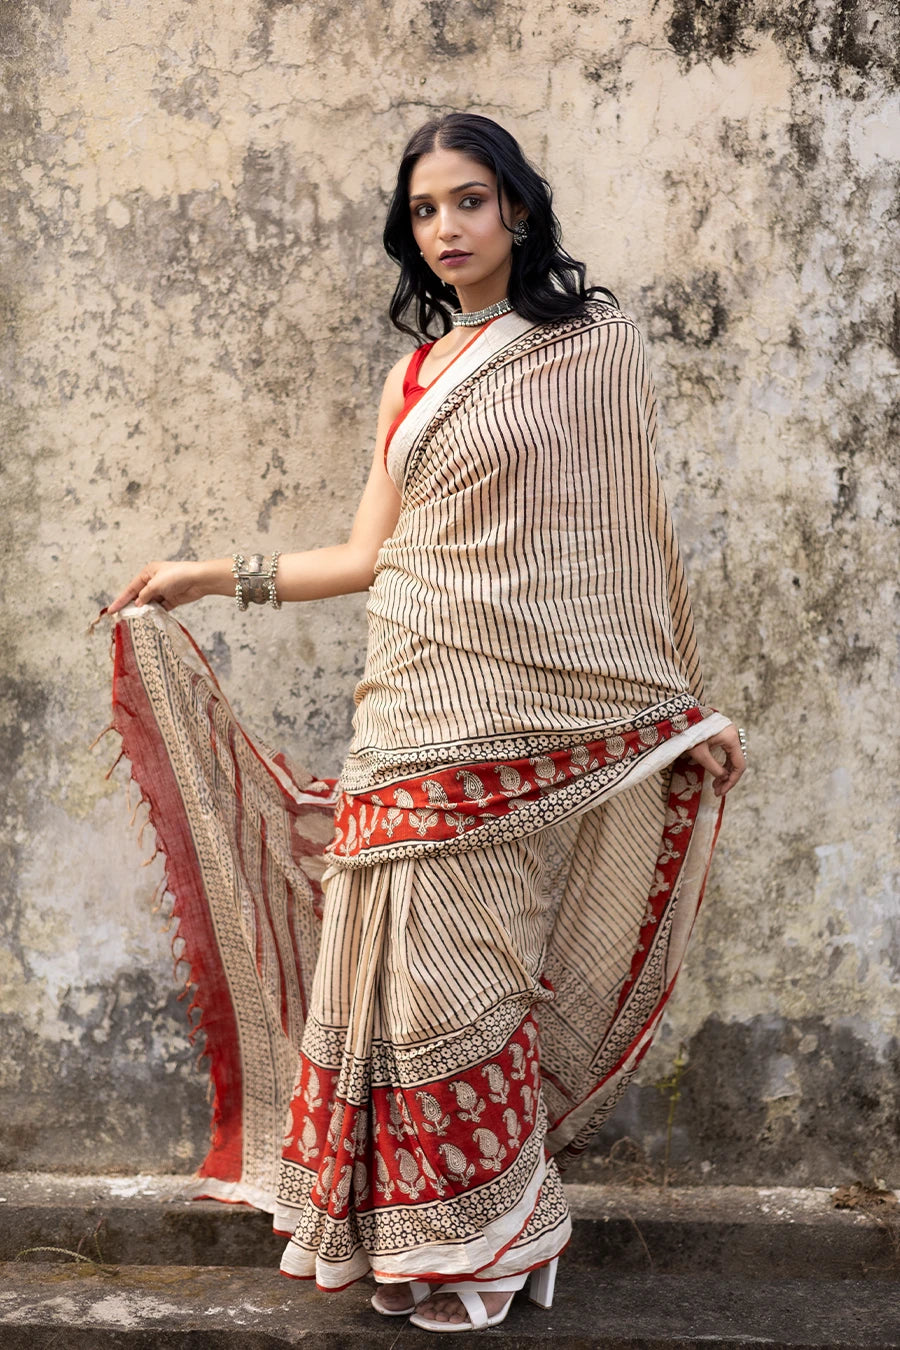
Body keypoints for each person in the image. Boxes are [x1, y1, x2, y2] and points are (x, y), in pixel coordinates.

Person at [107, 112, 745, 1333]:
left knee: (470, 975)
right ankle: (408, 1241)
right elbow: (361, 555)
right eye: (424, 210)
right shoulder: (413, 374)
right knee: (392, 982)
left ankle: (487, 1241)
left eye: (468, 200)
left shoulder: (589, 349)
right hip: (405, 707)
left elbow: (623, 552)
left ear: (515, 206)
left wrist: (673, 710)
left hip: (512, 724)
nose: (447, 227)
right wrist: (200, 573)